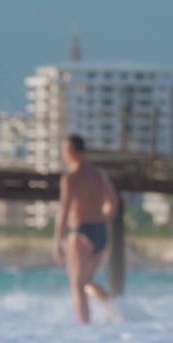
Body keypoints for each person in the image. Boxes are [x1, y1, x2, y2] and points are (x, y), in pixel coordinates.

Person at [53, 134, 119, 324]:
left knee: (76, 284)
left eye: (64, 151)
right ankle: (115, 313)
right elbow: (113, 203)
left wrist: (57, 240)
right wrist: (101, 220)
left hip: (81, 232)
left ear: (71, 151)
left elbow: (64, 209)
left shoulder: (71, 178)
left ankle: (84, 331)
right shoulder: (99, 174)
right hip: (100, 232)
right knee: (87, 280)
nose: (63, 155)